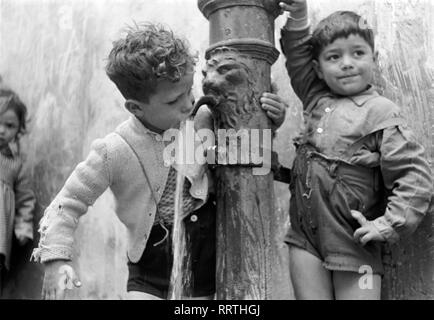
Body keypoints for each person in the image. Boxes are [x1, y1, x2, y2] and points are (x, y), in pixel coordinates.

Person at [31, 22, 287, 300]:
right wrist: (56, 259)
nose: (189, 103)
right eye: (175, 100)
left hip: (203, 253)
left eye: (190, 91)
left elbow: (242, 144)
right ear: (136, 108)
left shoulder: (200, 121)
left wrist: (271, 119)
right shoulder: (113, 150)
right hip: (151, 261)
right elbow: (65, 204)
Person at [278, 0, 433, 300]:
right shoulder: (314, 98)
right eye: (334, 57)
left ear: (373, 59)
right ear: (318, 69)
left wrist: (388, 225)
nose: (347, 63)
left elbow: (414, 175)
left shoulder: (381, 113)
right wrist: (297, 15)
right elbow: (297, 56)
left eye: (358, 53)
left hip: (355, 240)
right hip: (305, 239)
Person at [0, 87, 36, 296]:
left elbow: (25, 198)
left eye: (9, 125)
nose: (2, 130)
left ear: (19, 129)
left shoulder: (16, 165)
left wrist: (23, 227)